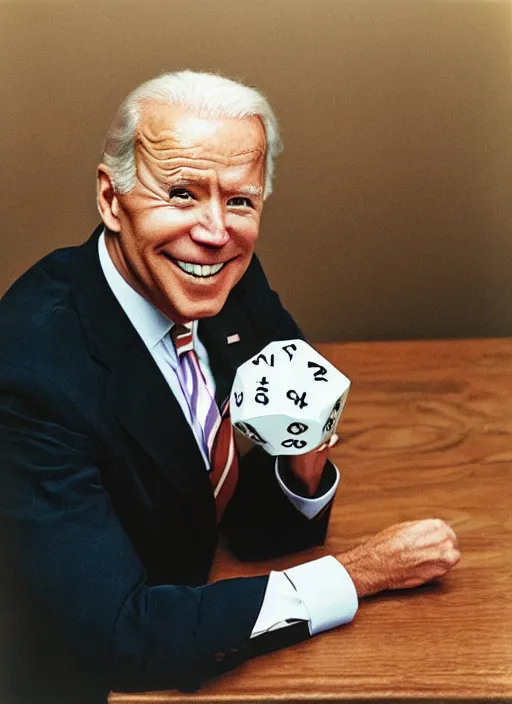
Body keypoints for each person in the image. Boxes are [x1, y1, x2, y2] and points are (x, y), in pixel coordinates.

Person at [0, 71, 460, 704]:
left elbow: (254, 519)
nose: (216, 233)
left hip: (196, 595)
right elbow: (120, 636)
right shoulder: (30, 369)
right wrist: (355, 576)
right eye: (181, 193)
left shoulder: (223, 275)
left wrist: (303, 464)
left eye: (241, 201)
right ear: (111, 199)